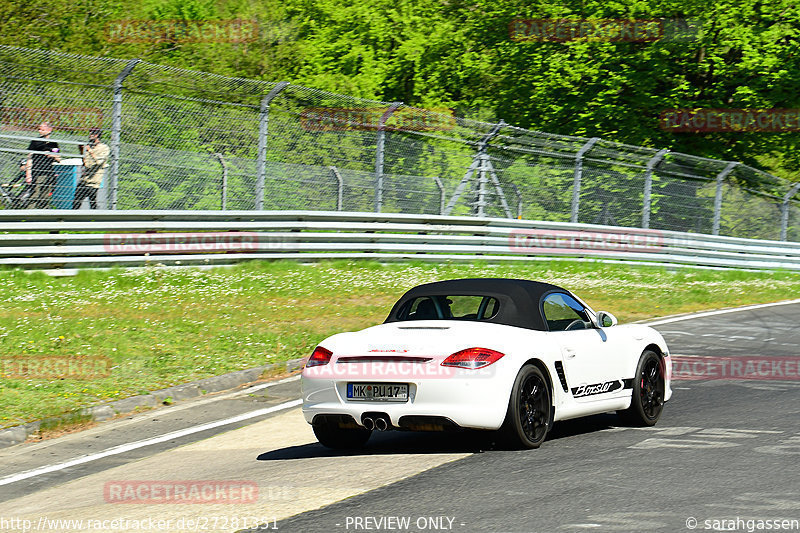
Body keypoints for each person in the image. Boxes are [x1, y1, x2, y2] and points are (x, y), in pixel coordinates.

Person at [26, 122, 60, 208]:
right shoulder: (35, 142)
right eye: (39, 129)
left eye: (42, 129)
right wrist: (28, 173)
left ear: (49, 130)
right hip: (37, 172)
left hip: (48, 173)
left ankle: (43, 214)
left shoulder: (53, 144)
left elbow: (59, 158)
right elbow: (29, 157)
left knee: (45, 197)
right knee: (34, 194)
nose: (40, 131)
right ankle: (29, 214)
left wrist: (51, 154)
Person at [73, 127, 109, 209]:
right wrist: (82, 150)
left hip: (94, 181)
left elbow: (99, 162)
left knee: (93, 203)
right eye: (90, 133)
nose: (90, 135)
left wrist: (90, 151)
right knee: (76, 202)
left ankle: (94, 219)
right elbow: (86, 163)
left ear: (97, 135)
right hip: (84, 180)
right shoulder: (88, 146)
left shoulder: (103, 148)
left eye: (92, 133)